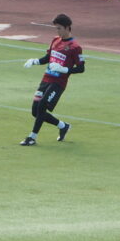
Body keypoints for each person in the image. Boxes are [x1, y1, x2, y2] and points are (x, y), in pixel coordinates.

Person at [20, 13, 85, 146]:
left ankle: (32, 137)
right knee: (35, 111)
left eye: (59, 28)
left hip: (58, 83)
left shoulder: (75, 47)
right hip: (46, 80)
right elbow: (47, 58)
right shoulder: (55, 40)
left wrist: (64, 70)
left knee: (42, 105)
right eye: (56, 28)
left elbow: (81, 68)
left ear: (67, 28)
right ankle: (63, 126)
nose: (58, 31)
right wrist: (35, 61)